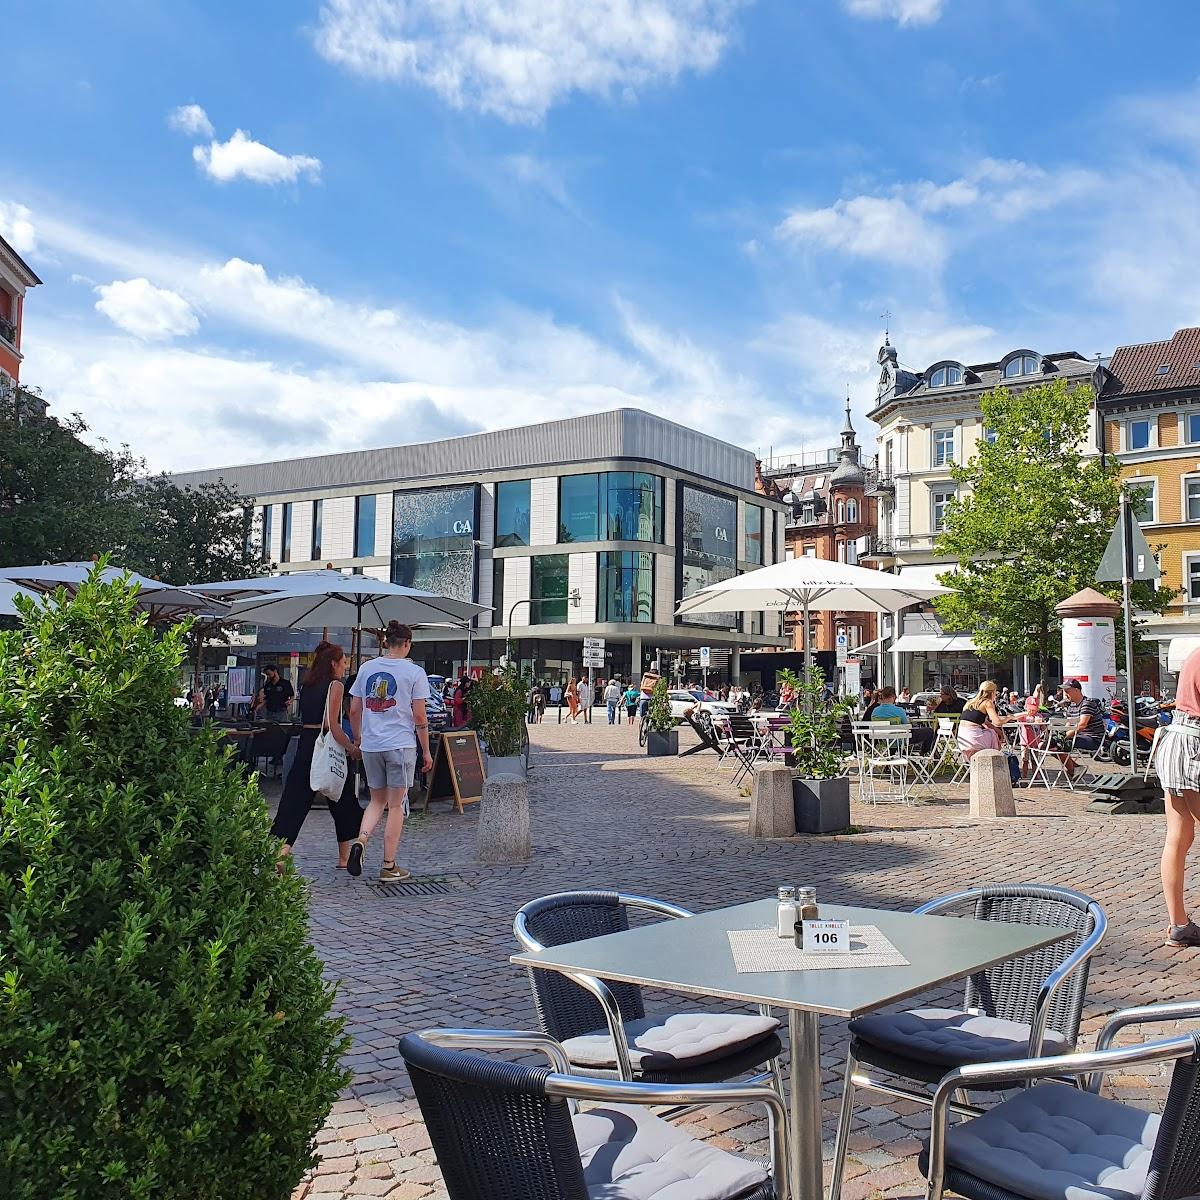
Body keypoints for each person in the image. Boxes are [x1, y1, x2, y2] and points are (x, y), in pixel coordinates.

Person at [346, 621, 433, 883]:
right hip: (399, 745)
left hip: (372, 745)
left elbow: (353, 710)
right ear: (406, 644)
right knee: (395, 806)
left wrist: (359, 738)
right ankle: (388, 865)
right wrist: (426, 751)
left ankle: (361, 840)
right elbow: (419, 716)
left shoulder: (366, 668)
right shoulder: (415, 672)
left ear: (386, 644)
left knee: (376, 801)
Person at [270, 641, 362, 869]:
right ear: (333, 663)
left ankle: (280, 853)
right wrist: (351, 747)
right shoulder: (336, 686)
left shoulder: (307, 684)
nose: (344, 666)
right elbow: (332, 724)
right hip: (327, 746)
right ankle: (344, 857)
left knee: (294, 801)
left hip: (306, 743)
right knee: (342, 798)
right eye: (343, 662)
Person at [1156, 644, 1200, 947]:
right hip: (1195, 743)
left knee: (1178, 837)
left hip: (1175, 740)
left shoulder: (1195, 654)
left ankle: (1178, 924)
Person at [956, 681, 1019, 781]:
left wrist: (1000, 732)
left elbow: (984, 722)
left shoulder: (970, 702)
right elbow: (997, 722)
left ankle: (988, 765)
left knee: (992, 732)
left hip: (963, 739)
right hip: (973, 739)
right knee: (991, 733)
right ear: (992, 692)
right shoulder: (987, 703)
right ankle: (994, 760)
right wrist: (1009, 718)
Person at [1053, 678, 1103, 778]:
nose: (1065, 694)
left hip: (1093, 738)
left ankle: (1073, 770)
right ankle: (1076, 769)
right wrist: (1060, 734)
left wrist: (1064, 736)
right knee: (1050, 745)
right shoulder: (1071, 706)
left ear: (1077, 690)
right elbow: (1069, 724)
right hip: (1078, 736)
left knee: (1058, 744)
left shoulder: (1087, 703)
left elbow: (1082, 725)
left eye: (1067, 691)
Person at [870, 685, 935, 752]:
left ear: (882, 697)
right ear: (894, 697)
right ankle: (923, 754)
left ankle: (896, 754)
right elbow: (907, 726)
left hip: (883, 740)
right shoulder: (899, 710)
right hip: (900, 740)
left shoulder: (875, 711)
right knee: (929, 731)